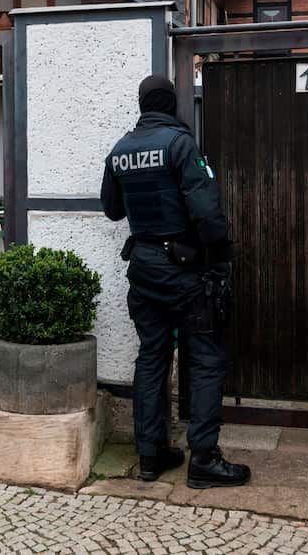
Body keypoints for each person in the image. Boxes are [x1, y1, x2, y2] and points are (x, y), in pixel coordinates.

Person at [101, 74, 251, 488]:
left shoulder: (120, 150)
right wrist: (220, 254)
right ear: (171, 104)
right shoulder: (180, 144)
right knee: (204, 359)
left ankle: (150, 455)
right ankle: (204, 460)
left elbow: (112, 211)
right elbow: (207, 213)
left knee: (152, 357)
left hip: (144, 268)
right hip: (186, 271)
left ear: (142, 104)